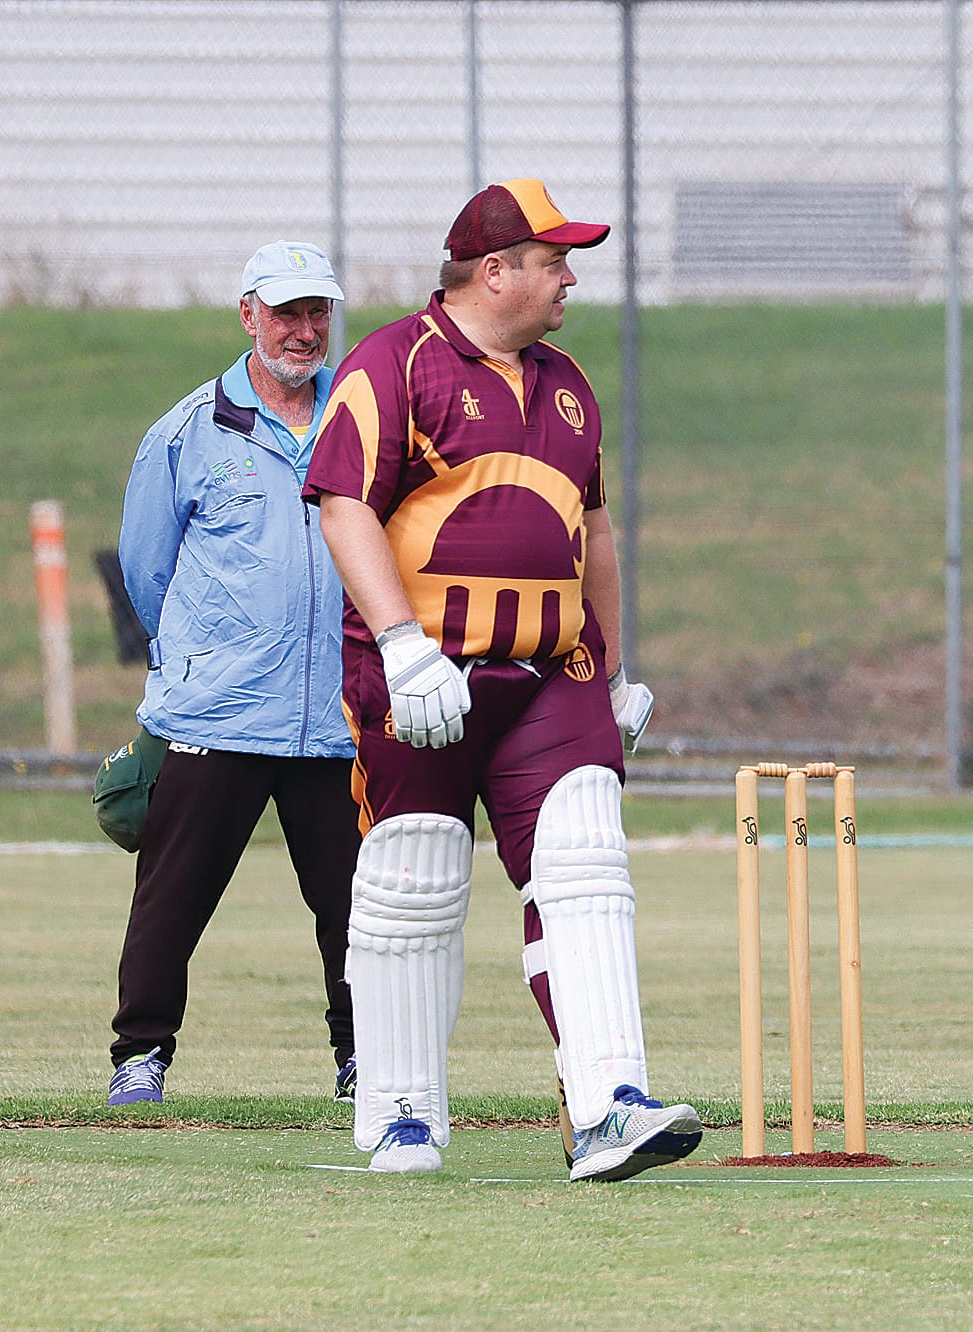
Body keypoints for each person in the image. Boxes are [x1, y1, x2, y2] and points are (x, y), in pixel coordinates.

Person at [305, 178, 696, 1178]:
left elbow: (591, 531)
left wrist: (610, 667)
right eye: (552, 260)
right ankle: (400, 1116)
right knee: (415, 877)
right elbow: (343, 505)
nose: (568, 278)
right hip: (424, 673)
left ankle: (611, 1104)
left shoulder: (567, 382)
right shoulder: (391, 364)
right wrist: (399, 643)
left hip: (552, 678)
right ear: (494, 271)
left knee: (584, 863)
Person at [106, 242, 362, 1106]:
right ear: (247, 315)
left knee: (356, 909)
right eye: (285, 313)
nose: (303, 330)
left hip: (337, 716)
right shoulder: (185, 431)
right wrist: (202, 657)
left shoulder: (366, 417)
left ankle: (363, 1060)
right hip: (218, 712)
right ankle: (140, 1053)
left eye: (316, 312)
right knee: (171, 899)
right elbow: (148, 572)